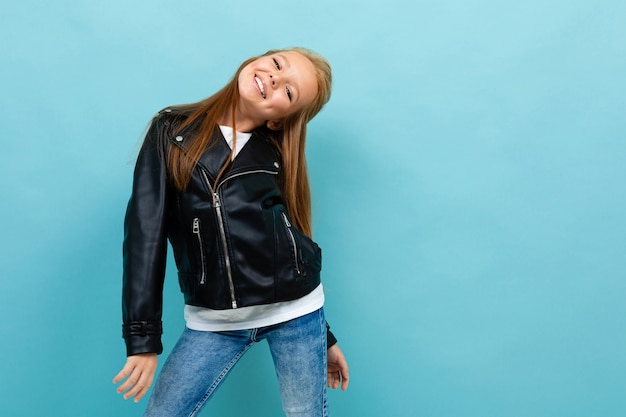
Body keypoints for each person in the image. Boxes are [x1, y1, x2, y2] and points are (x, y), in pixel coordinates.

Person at [112, 47, 349, 417]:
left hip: (297, 314)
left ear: (280, 120)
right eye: (277, 65)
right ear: (258, 59)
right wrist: (142, 340)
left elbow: (284, 242)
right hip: (215, 323)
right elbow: (145, 235)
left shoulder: (273, 152)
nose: (274, 79)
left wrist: (324, 335)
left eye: (289, 92)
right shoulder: (171, 132)